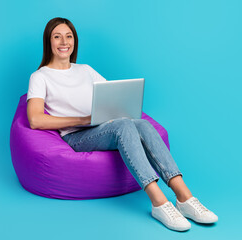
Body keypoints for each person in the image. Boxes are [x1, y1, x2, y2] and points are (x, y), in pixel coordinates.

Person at [26, 17, 218, 232]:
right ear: (48, 42)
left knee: (142, 125)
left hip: (99, 127)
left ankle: (184, 197)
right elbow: (35, 120)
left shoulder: (85, 70)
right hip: (76, 136)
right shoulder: (40, 76)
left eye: (69, 36)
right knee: (124, 126)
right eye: (57, 36)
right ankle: (159, 202)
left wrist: (112, 112)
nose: (64, 42)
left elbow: (112, 97)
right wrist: (83, 119)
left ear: (74, 41)